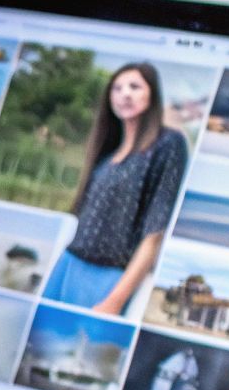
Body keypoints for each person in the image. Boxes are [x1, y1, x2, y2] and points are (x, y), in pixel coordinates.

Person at [41, 62, 188, 317]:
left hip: (110, 278)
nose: (125, 94)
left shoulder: (168, 144)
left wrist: (114, 301)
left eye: (134, 86)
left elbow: (154, 233)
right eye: (117, 88)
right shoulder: (107, 153)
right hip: (68, 265)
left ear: (152, 94)